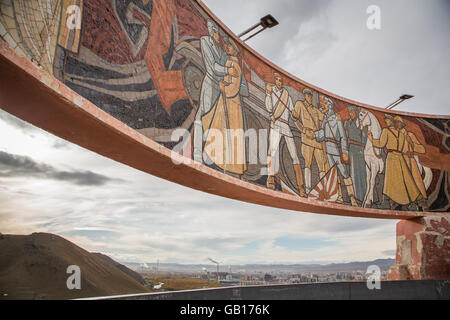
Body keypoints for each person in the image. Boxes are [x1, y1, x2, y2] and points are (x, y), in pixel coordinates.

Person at [201, 37, 246, 175]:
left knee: (230, 134)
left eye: (229, 47)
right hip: (225, 100)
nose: (226, 48)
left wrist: (223, 88)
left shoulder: (235, 66)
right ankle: (216, 157)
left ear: (234, 50)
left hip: (232, 103)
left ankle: (232, 166)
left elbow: (235, 87)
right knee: (215, 126)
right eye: (226, 46)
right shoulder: (229, 64)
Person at [193, 20, 235, 163]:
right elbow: (212, 67)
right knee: (201, 118)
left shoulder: (221, 52)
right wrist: (227, 70)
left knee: (213, 122)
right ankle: (197, 156)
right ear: (212, 31)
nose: (220, 38)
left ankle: (210, 157)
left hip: (219, 89)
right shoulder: (205, 41)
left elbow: (227, 62)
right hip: (210, 85)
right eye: (217, 33)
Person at [307, 97, 358, 206]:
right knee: (334, 175)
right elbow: (322, 134)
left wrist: (344, 152)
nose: (323, 106)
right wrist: (314, 134)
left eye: (325, 104)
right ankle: (338, 196)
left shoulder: (337, 119)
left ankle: (352, 197)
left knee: (344, 173)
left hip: (337, 149)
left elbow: (343, 136)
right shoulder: (325, 120)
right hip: (328, 150)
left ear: (329, 106)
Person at [265, 72, 306, 197]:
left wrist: (294, 114)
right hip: (276, 124)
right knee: (272, 151)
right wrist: (268, 94)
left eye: (280, 81)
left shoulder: (286, 95)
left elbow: (292, 111)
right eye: (277, 80)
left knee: (294, 155)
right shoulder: (271, 92)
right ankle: (270, 177)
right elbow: (268, 107)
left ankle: (301, 187)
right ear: (275, 81)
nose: (279, 82)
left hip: (286, 126)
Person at [367, 115, 422, 208]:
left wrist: (371, 139)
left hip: (392, 157)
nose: (386, 122)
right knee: (404, 180)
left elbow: (381, 143)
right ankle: (411, 201)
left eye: (387, 120)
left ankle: (387, 202)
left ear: (392, 121)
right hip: (400, 157)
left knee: (390, 180)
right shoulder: (401, 134)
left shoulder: (386, 131)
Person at [292, 89, 327, 193]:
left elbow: (323, 119)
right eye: (308, 96)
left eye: (311, 96)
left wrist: (325, 110)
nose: (310, 98)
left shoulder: (315, 110)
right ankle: (307, 188)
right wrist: (304, 130)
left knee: (322, 166)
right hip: (307, 140)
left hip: (317, 140)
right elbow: (295, 120)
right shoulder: (300, 105)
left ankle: (324, 190)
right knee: (308, 164)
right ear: (304, 96)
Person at [344, 105, 367, 203]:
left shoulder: (361, 123)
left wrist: (364, 148)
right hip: (352, 149)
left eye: (352, 112)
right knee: (354, 173)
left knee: (363, 173)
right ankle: (357, 196)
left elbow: (365, 137)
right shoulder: (347, 123)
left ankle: (365, 196)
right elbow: (345, 136)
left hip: (361, 149)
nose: (350, 114)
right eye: (349, 113)